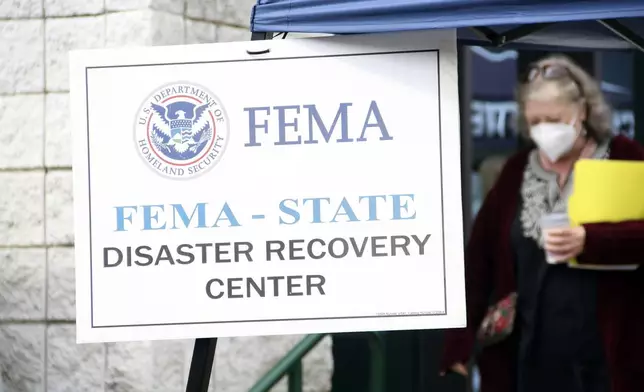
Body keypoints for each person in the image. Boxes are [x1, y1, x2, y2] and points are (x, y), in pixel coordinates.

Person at [440, 54, 644, 392]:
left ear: (582, 112)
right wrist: (459, 341)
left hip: (613, 353)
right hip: (532, 353)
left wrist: (592, 240)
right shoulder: (516, 169)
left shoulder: (625, 155)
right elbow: (479, 260)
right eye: (535, 121)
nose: (544, 130)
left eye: (554, 119)